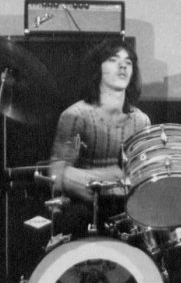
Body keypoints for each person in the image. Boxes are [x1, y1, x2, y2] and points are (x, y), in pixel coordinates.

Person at [49, 39, 150, 237]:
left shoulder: (141, 121)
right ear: (98, 69)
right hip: (85, 211)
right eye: (113, 60)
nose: (122, 66)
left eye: (128, 62)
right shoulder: (76, 116)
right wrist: (111, 176)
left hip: (126, 212)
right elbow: (58, 174)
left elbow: (139, 176)